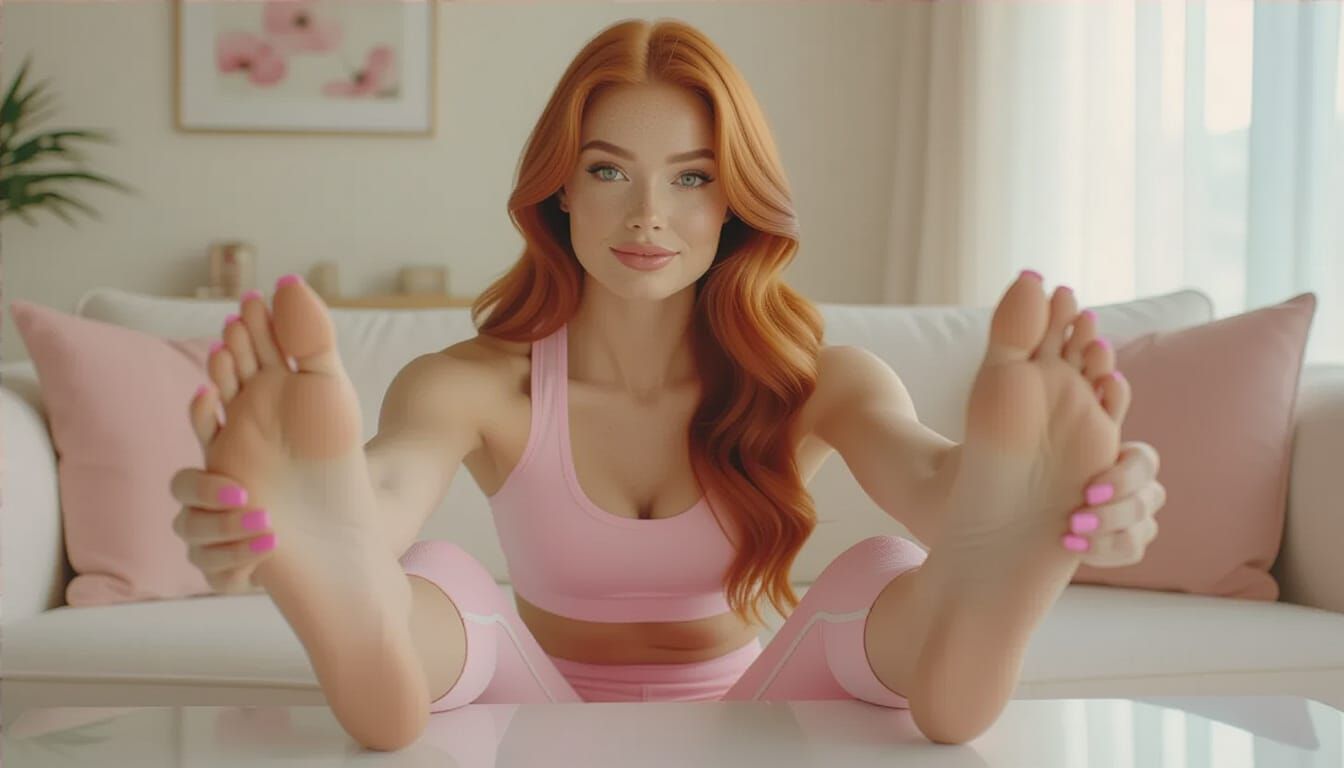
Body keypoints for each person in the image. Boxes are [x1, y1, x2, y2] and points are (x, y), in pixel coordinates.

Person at [168, 18, 1163, 752]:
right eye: (609, 171)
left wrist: (1048, 507)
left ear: (737, 198)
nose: (648, 213)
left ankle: (979, 609)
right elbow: (379, 492)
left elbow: (945, 487)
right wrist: (300, 522)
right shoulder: (475, 383)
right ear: (559, 186)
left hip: (762, 704)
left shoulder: (821, 381)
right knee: (434, 573)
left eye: (691, 177)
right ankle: (353, 616)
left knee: (887, 565)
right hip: (528, 695)